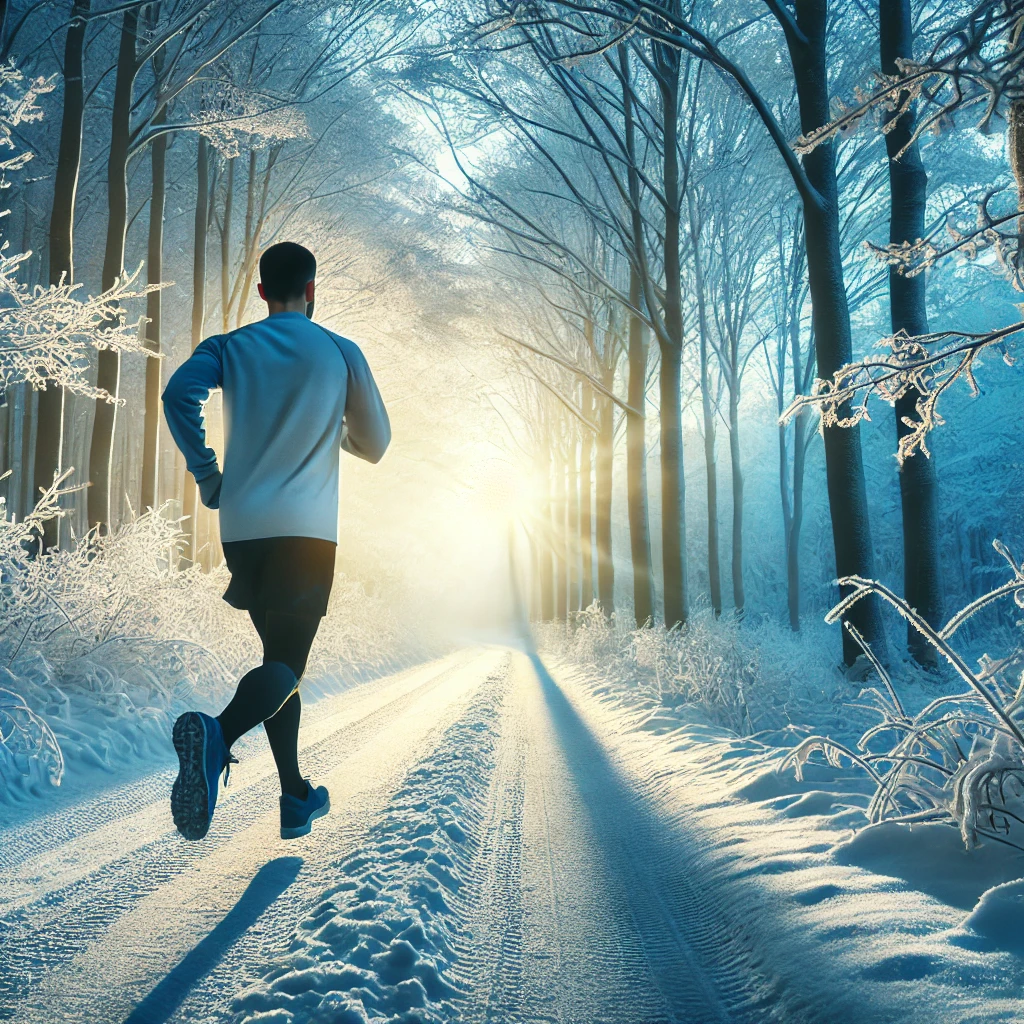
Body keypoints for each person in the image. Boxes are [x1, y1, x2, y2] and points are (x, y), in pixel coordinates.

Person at [162, 241, 390, 841]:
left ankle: (294, 795)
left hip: (242, 532)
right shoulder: (341, 352)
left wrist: (209, 475)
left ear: (261, 292)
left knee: (281, 664)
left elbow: (176, 395)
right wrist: (333, 431)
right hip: (307, 534)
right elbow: (376, 444)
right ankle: (218, 735)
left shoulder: (228, 348)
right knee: (288, 664)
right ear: (312, 291)